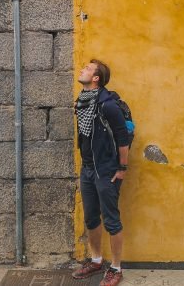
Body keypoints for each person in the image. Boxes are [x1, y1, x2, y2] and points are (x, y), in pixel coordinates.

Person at [72, 59, 130, 286]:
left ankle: (116, 268)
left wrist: (122, 168)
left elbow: (122, 137)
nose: (82, 70)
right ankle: (96, 261)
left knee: (112, 221)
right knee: (91, 218)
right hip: (87, 169)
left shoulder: (107, 105)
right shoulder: (83, 102)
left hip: (106, 171)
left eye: (87, 69)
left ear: (96, 78)